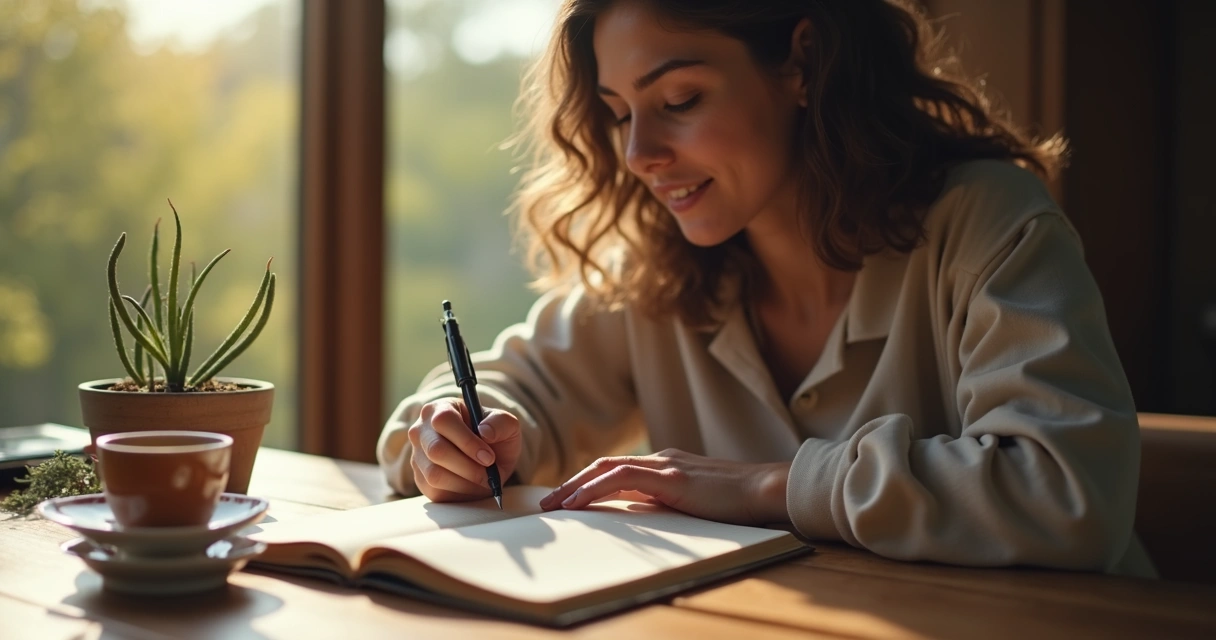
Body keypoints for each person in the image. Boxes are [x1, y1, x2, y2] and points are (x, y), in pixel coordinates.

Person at [378, 0, 1155, 577]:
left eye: (679, 100)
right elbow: (512, 386)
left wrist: (767, 488)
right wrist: (452, 435)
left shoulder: (985, 220)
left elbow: (1067, 492)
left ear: (801, 63)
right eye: (618, 115)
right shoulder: (656, 269)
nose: (641, 152)